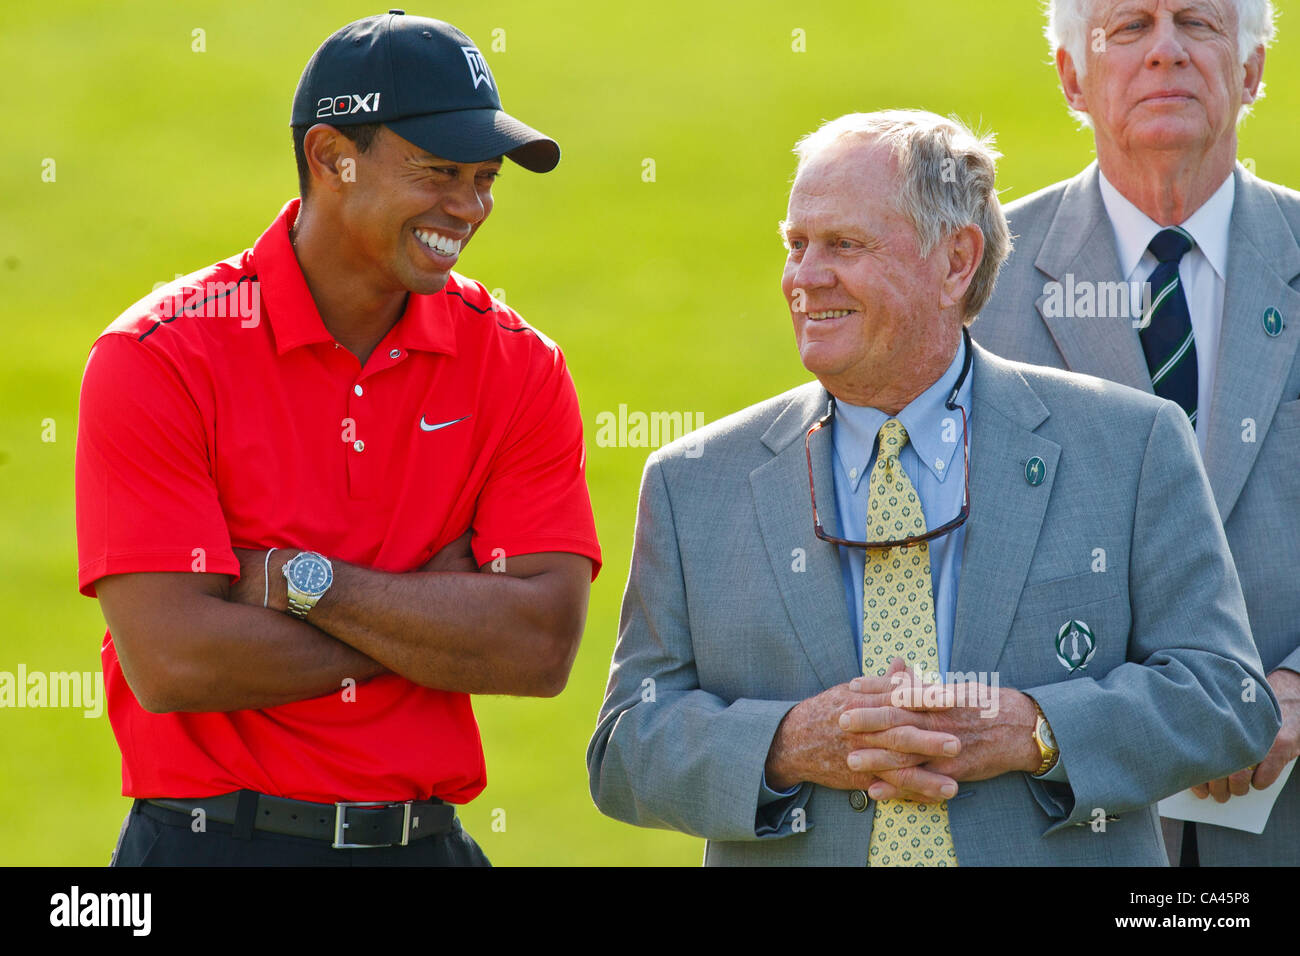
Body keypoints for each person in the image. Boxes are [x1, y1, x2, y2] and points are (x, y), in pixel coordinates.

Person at [586, 109, 1278, 865]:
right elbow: (626, 748)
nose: (804, 277)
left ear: (955, 262)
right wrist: (784, 746)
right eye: (796, 244)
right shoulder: (693, 484)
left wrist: (1035, 731)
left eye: (844, 245)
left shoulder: (1129, 445)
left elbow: (1227, 701)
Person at [75, 11, 601, 866]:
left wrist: (291, 581)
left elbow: (538, 646)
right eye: (438, 173)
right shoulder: (156, 358)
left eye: (484, 179)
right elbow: (173, 660)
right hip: (211, 848)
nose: (468, 209)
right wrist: (432, 620)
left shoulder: (519, 364)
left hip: (425, 847)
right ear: (331, 157)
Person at [973, 0, 1300, 866]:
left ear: (1253, 69)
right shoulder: (970, 283)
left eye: (1198, 23)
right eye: (1129, 27)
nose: (1166, 53)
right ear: (1071, 76)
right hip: (1061, 821)